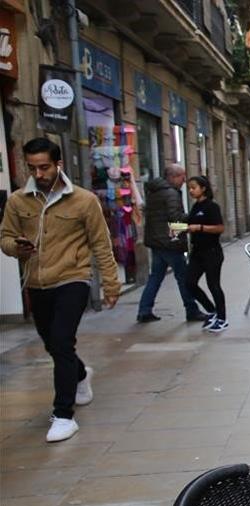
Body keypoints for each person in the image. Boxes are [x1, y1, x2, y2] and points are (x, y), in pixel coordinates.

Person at [0, 138, 120, 442]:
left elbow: (101, 244)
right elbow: (5, 239)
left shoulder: (83, 200)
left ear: (58, 165)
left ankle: (63, 415)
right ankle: (80, 374)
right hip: (37, 282)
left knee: (62, 340)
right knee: (53, 344)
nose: (38, 173)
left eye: (44, 167)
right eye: (32, 168)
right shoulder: (18, 201)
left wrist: (110, 283)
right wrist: (17, 247)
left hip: (73, 278)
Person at [136, 163, 203, 323]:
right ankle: (192, 310)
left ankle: (144, 311)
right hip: (169, 242)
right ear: (172, 177)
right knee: (183, 277)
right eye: (182, 177)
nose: (184, 180)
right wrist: (193, 217)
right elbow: (175, 218)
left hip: (157, 241)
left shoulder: (154, 191)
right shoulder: (171, 193)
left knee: (156, 277)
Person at [183, 176, 228, 333]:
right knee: (189, 282)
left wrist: (200, 228)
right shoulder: (195, 207)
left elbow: (220, 228)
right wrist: (181, 228)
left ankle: (222, 318)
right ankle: (211, 310)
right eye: (189, 187)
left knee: (213, 284)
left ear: (203, 188)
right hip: (197, 252)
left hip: (212, 252)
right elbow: (190, 224)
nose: (190, 190)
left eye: (193, 187)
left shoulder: (212, 207)